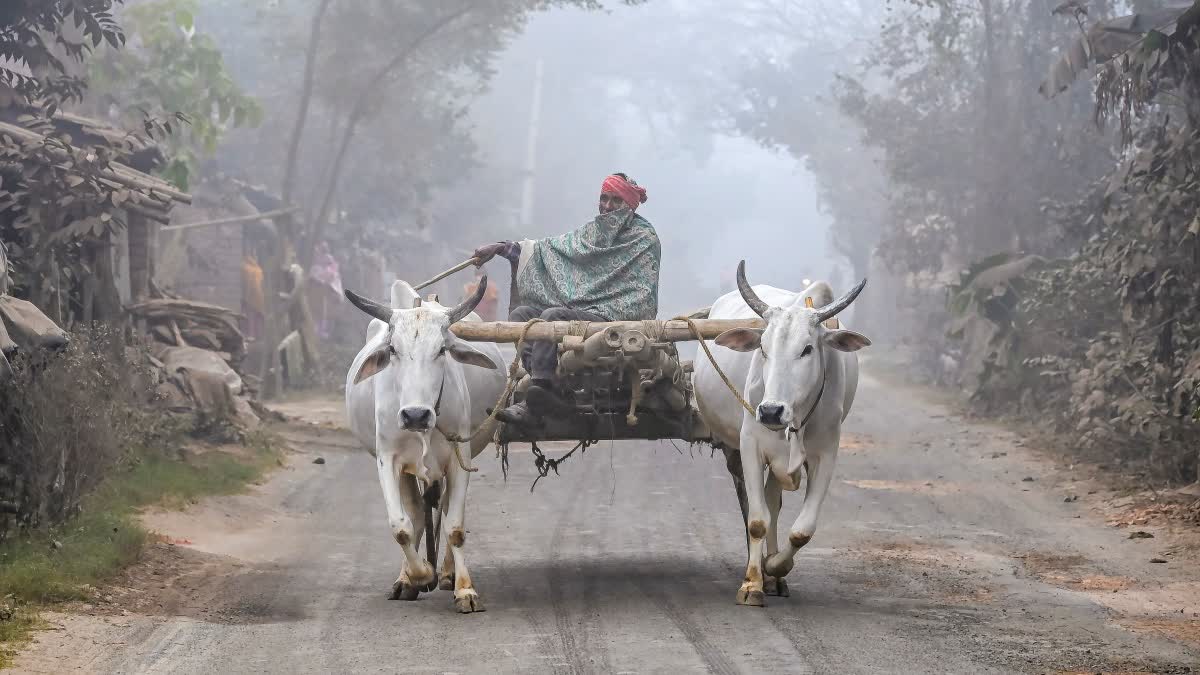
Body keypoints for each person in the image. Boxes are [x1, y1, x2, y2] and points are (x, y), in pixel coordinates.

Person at [472, 173, 661, 426]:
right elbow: (552, 250)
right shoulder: (591, 232)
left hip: (615, 316)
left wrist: (602, 306)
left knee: (552, 318)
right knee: (522, 316)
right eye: (604, 198)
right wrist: (499, 248)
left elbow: (642, 296)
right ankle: (552, 391)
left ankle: (538, 393)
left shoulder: (644, 238)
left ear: (629, 205)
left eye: (616, 201)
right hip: (580, 311)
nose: (607, 206)